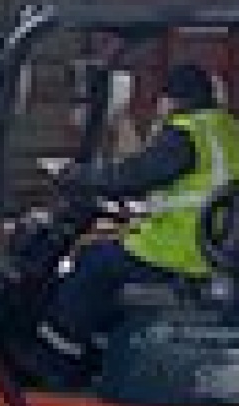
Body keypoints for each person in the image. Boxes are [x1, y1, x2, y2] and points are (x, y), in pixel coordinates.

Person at [36, 63, 239, 382]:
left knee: (93, 262)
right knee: (109, 256)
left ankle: (58, 358)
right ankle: (102, 347)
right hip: (212, 249)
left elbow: (132, 176)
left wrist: (72, 175)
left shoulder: (185, 133)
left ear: (171, 99)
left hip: (182, 254)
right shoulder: (228, 129)